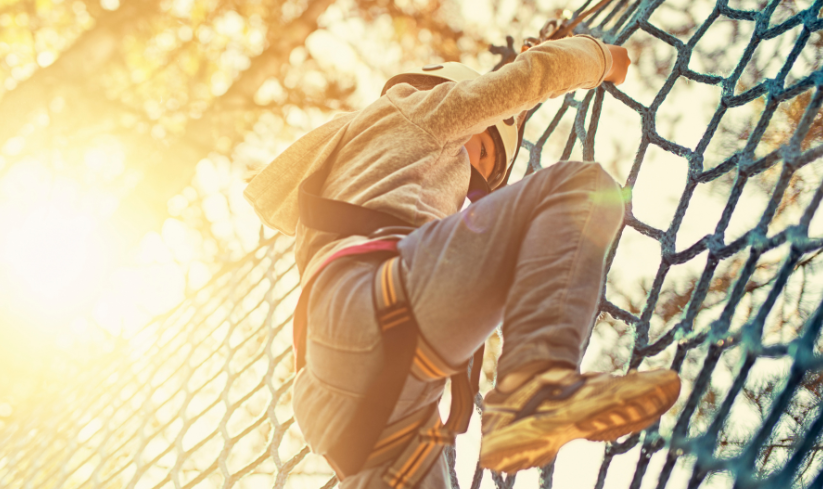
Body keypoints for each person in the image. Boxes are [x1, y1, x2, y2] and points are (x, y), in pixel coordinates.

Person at [245, 34, 681, 488]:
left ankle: (530, 396)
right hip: (373, 305)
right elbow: (528, 80)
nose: (473, 174)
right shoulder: (416, 108)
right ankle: (534, 384)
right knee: (583, 189)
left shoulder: (360, 171)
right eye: (486, 152)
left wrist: (510, 118)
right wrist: (600, 56)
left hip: (345, 407)